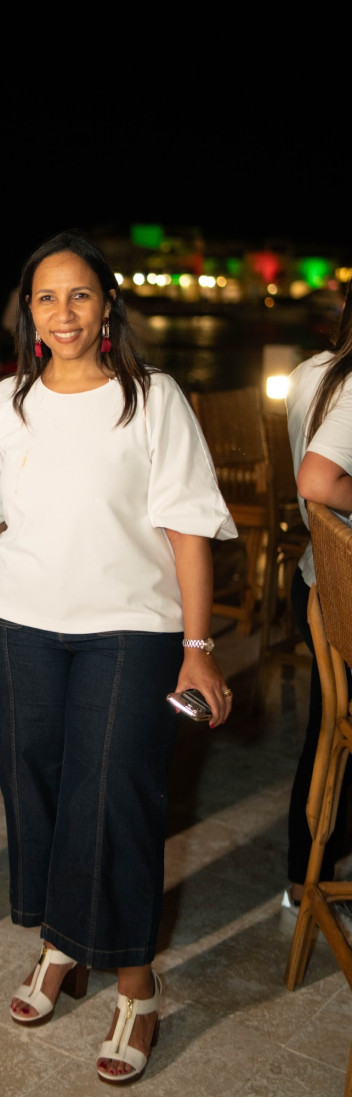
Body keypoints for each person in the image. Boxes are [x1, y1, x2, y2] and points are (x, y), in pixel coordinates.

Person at [0, 231, 236, 1085]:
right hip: (16, 627)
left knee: (114, 796)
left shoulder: (151, 399)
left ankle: (135, 983)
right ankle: (58, 948)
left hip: (131, 630)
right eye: (47, 297)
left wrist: (198, 648)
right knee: (34, 787)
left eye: (80, 295)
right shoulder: (5, 401)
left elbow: (189, 526)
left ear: (107, 305)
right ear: (27, 311)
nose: (64, 312)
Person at [284, 285, 352, 917]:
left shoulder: (310, 373)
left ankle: (304, 878)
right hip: (342, 586)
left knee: (325, 729)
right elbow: (317, 479)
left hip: (318, 576)